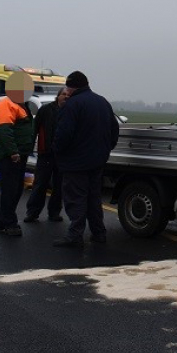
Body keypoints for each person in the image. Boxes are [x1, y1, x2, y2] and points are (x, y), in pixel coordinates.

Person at [52, 71, 119, 247]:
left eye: (67, 87)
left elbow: (63, 134)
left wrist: (57, 152)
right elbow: (114, 130)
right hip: (97, 161)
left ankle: (75, 235)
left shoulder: (72, 105)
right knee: (94, 199)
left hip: (75, 163)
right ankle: (98, 233)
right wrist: (105, 150)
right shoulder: (102, 102)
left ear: (71, 87)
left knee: (76, 199)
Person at [0, 71, 35, 236]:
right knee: (10, 190)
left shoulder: (21, 103)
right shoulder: (6, 104)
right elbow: (4, 131)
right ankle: (10, 223)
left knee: (15, 189)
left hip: (19, 155)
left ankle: (1, 222)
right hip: (11, 157)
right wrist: (13, 152)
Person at [24, 87, 69, 223]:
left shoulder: (70, 112)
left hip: (62, 155)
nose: (66, 97)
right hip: (46, 154)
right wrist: (30, 148)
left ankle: (54, 213)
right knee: (40, 184)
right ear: (58, 96)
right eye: (63, 94)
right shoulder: (46, 110)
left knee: (59, 186)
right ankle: (32, 213)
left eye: (68, 95)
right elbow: (35, 129)